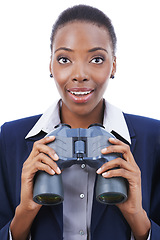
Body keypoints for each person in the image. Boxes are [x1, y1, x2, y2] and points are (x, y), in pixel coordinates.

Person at [0, 4, 160, 240]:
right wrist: (26, 211)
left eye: (96, 59)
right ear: (51, 66)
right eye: (65, 59)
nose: (80, 74)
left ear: (113, 65)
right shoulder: (11, 138)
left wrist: (136, 215)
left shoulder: (154, 137)